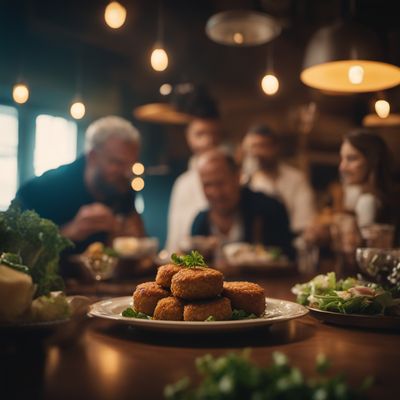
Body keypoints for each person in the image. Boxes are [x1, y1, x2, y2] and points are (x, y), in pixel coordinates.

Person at [16, 115, 145, 255]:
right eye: (118, 163)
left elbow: (136, 241)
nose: (127, 173)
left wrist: (133, 237)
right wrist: (70, 231)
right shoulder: (41, 190)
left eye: (131, 164)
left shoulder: (124, 189)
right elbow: (15, 251)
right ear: (92, 156)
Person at [191, 148, 294, 258]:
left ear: (237, 177)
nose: (215, 192)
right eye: (207, 185)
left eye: (220, 183)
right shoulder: (200, 221)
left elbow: (288, 257)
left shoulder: (270, 209)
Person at [241, 124, 316, 235]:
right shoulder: (244, 183)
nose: (257, 153)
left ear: (276, 147)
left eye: (262, 146)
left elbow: (304, 222)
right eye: (253, 147)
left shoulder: (296, 179)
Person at [165, 116, 223, 252]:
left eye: (213, 133)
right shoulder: (182, 184)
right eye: (200, 134)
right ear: (188, 138)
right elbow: (174, 238)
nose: (208, 140)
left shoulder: (234, 178)